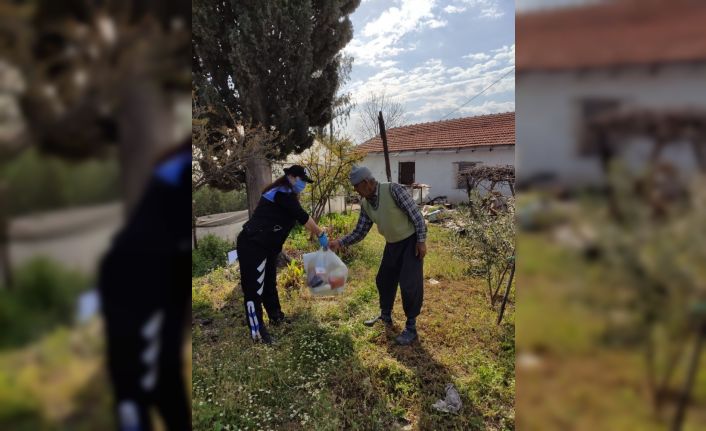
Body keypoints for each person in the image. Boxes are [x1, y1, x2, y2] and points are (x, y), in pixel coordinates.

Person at [98, 141, 191, 431]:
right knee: (147, 379)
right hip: (143, 278)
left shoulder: (174, 164)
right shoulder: (183, 167)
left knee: (140, 379)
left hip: (134, 272)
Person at [329, 166, 426, 346]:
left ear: (366, 183)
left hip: (410, 243)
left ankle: (411, 327)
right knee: (383, 279)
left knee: (409, 285)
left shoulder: (393, 190)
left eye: (357, 187)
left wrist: (421, 241)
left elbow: (417, 217)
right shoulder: (366, 203)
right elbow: (360, 231)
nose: (356, 191)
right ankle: (385, 316)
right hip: (392, 245)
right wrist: (340, 242)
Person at [237, 165, 328, 344]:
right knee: (254, 289)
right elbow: (301, 216)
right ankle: (257, 333)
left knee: (269, 284)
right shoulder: (282, 193)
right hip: (253, 245)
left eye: (306, 182)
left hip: (268, 247)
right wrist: (320, 233)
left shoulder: (287, 194)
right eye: (302, 180)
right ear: (292, 177)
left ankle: (276, 317)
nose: (304, 184)